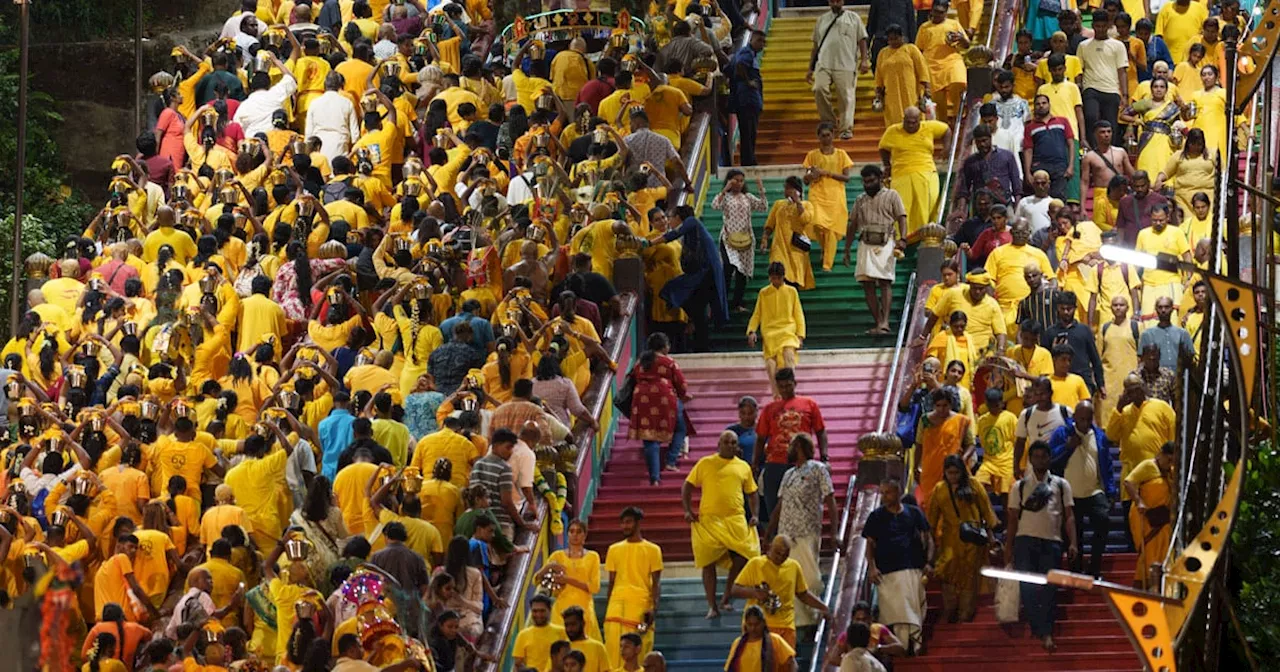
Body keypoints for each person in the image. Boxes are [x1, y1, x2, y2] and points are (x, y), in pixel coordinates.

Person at [1006, 440, 1078, 652]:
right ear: (1030, 459)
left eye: (1043, 456)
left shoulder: (1061, 485)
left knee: (1049, 589)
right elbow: (1011, 520)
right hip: (1024, 541)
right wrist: (1008, 548)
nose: (1040, 460)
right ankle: (1040, 629)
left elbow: (1069, 517)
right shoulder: (1018, 487)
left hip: (1052, 542)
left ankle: (1045, 631)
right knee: (1028, 588)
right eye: (1035, 457)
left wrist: (1073, 542)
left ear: (1049, 459)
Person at [682, 430, 760, 618]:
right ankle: (712, 606)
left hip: (736, 519)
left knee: (745, 555)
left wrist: (755, 514)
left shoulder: (743, 467)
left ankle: (726, 596)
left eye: (734, 442)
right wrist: (687, 510)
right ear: (719, 444)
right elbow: (687, 486)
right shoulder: (705, 463)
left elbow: (753, 492)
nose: (730, 445)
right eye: (726, 442)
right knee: (707, 563)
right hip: (709, 520)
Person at [861, 477, 932, 653]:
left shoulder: (914, 513)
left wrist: (929, 562)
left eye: (888, 492)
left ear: (898, 493)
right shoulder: (876, 516)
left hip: (912, 568)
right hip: (887, 573)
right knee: (897, 612)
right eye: (882, 493)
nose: (884, 497)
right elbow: (869, 544)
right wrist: (872, 567)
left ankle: (913, 644)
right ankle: (903, 647)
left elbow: (928, 539)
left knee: (912, 608)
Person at [1046, 400, 1114, 579]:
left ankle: (1094, 567)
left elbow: (1107, 464)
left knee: (1103, 521)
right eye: (1081, 418)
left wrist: (1112, 491)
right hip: (1070, 494)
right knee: (1074, 534)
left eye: (1088, 418)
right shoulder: (1062, 433)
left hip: (1094, 491)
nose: (1084, 422)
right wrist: (1067, 447)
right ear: (1074, 417)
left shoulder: (1099, 436)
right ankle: (1076, 571)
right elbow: (1050, 459)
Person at [927, 453, 999, 623]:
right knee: (947, 573)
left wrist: (991, 538)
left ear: (962, 471)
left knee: (969, 576)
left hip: (972, 540)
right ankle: (950, 608)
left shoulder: (974, 485)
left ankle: (965, 613)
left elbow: (987, 513)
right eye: (950, 473)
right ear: (944, 472)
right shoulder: (939, 489)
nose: (953, 476)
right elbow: (932, 520)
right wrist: (930, 544)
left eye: (956, 472)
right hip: (949, 540)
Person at [1107, 373, 1177, 534]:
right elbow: (1111, 435)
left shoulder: (1162, 407)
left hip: (1157, 475)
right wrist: (1117, 408)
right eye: (1129, 391)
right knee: (1132, 527)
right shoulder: (1123, 412)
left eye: (1137, 389)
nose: (1134, 394)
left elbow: (1174, 438)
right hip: (1132, 476)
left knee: (1157, 526)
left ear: (1144, 388)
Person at [845, 164, 907, 335]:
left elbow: (902, 217)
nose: (868, 185)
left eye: (871, 181)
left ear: (880, 179)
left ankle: (885, 322)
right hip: (865, 242)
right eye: (865, 182)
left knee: (885, 282)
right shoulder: (860, 199)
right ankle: (878, 322)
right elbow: (852, 224)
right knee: (867, 284)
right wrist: (847, 249)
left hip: (886, 242)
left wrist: (903, 238)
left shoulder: (892, 195)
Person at [603, 507, 663, 668]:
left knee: (639, 654)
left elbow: (656, 583)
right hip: (615, 609)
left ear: (638, 523)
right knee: (613, 654)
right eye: (622, 523)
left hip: (641, 609)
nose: (624, 526)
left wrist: (653, 609)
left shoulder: (653, 549)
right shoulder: (613, 549)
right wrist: (609, 606)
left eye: (628, 522)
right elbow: (611, 583)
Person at [627, 333, 690, 485]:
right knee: (681, 427)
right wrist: (683, 395)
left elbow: (632, 377)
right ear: (664, 346)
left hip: (641, 399)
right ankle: (671, 461)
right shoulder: (668, 362)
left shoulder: (641, 362)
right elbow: (681, 384)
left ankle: (654, 478)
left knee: (649, 438)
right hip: (664, 398)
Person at [878, 107, 949, 238]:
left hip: (926, 171)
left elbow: (946, 130)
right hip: (901, 174)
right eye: (908, 122)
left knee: (928, 204)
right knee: (901, 208)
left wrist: (947, 147)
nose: (910, 125)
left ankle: (925, 236)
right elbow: (883, 148)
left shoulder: (929, 127)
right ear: (903, 120)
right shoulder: (893, 130)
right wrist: (887, 165)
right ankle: (902, 239)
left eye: (914, 122)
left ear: (919, 120)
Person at [806, 0, 870, 140]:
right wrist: (810, 68)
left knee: (846, 97)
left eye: (838, 0)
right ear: (829, 2)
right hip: (823, 63)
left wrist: (864, 60)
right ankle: (829, 121)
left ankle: (846, 128)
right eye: (833, 1)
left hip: (846, 64)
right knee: (818, 89)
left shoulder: (854, 18)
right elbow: (815, 46)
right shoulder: (822, 20)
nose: (835, 3)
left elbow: (862, 40)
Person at [746, 263, 807, 397]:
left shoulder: (792, 291)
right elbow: (757, 314)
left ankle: (791, 392)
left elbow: (798, 314)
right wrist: (751, 331)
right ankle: (776, 396)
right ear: (769, 278)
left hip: (788, 332)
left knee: (789, 357)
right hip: (770, 334)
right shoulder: (764, 293)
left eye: (778, 278)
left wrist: (800, 336)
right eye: (773, 278)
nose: (776, 281)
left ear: (783, 277)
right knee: (770, 366)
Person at [538, 520, 603, 642]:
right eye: (571, 531)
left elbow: (595, 587)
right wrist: (547, 567)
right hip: (561, 609)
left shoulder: (593, 556)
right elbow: (537, 580)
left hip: (584, 608)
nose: (575, 535)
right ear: (567, 534)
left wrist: (567, 579)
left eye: (579, 532)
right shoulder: (557, 556)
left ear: (585, 535)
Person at [713, 171, 768, 312]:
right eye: (735, 180)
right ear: (729, 181)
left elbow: (763, 207)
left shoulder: (747, 197)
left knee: (742, 273)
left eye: (741, 180)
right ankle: (721, 303)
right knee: (727, 268)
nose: (738, 183)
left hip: (745, 239)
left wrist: (761, 190)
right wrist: (725, 189)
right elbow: (715, 206)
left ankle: (737, 303)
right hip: (728, 238)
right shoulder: (725, 197)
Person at [803, 123, 855, 272]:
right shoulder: (812, 155)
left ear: (833, 135)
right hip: (817, 194)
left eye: (828, 134)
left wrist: (826, 173)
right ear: (818, 136)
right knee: (816, 223)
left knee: (831, 230)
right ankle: (824, 248)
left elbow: (846, 178)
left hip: (836, 195)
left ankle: (827, 263)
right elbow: (805, 180)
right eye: (822, 135)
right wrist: (811, 176)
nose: (826, 138)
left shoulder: (841, 154)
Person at [1124, 441, 1176, 589]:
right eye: (1168, 460)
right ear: (1160, 454)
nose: (1169, 464)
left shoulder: (1170, 472)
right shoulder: (1148, 466)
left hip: (1162, 518)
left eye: (1173, 461)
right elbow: (1129, 482)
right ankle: (1144, 588)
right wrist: (1139, 501)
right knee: (1148, 551)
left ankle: (1160, 588)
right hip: (1144, 516)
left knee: (1164, 550)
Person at [916, 1, 969, 125]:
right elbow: (919, 50)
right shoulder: (924, 27)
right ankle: (943, 125)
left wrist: (961, 39)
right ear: (931, 10)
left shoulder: (954, 24)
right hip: (932, 66)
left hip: (952, 61)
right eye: (935, 11)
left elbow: (966, 45)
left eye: (941, 12)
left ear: (946, 12)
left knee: (959, 82)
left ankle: (958, 115)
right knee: (938, 101)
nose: (937, 15)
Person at [761, 177, 816, 291]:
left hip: (796, 250)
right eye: (785, 188)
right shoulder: (778, 204)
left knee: (793, 283)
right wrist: (765, 239)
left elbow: (805, 219)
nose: (786, 191)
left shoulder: (807, 205)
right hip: (779, 247)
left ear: (797, 190)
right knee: (778, 276)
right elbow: (770, 225)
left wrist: (798, 202)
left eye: (789, 188)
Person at [872, 25, 929, 127]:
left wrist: (926, 89)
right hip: (891, 94)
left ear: (902, 37)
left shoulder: (911, 49)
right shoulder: (883, 53)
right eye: (890, 39)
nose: (893, 42)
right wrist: (878, 93)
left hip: (911, 92)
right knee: (895, 120)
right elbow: (879, 75)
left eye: (895, 38)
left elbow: (922, 70)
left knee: (913, 117)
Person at [730, 30, 767, 166]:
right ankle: (748, 161)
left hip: (750, 99)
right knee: (748, 131)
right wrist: (748, 82)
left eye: (764, 42)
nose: (762, 45)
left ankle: (749, 159)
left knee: (750, 131)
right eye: (759, 41)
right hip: (747, 99)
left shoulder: (751, 55)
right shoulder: (747, 53)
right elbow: (740, 65)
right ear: (752, 39)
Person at [974, 387, 1018, 501]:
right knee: (977, 488)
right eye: (990, 405)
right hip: (988, 463)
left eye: (996, 405)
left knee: (1006, 499)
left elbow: (1017, 441)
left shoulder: (1010, 418)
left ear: (1002, 403)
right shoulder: (982, 420)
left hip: (1006, 463)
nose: (994, 408)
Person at [724, 606, 797, 672]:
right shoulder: (737, 643)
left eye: (756, 624)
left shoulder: (774, 640)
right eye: (750, 624)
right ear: (745, 624)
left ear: (763, 623)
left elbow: (792, 663)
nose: (753, 628)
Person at [513, 595, 568, 672]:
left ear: (550, 610)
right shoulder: (522, 635)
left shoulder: (562, 632)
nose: (538, 615)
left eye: (542, 611)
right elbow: (518, 664)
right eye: (535, 611)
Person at [1139, 296, 1195, 368]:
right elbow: (1142, 360)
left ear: (1172, 309)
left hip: (1178, 377)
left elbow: (1190, 357)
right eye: (1160, 307)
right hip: (1157, 378)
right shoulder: (1147, 334)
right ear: (1156, 309)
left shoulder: (1182, 334)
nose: (1163, 310)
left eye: (1167, 307)